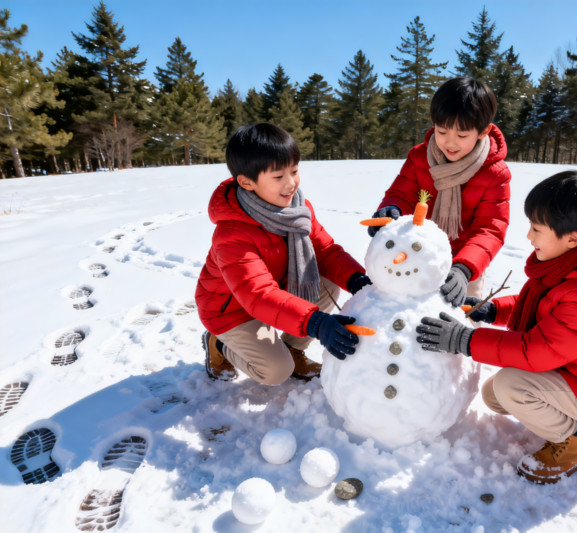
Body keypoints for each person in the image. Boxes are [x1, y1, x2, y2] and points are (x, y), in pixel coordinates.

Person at [415, 170, 577, 484]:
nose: (529, 237)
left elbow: (537, 351)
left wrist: (466, 340)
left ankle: (576, 446)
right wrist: (494, 310)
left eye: (537, 229)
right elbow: (543, 310)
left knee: (512, 387)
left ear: (572, 239)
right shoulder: (573, 262)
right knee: (494, 395)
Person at [195, 123, 371, 385]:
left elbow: (324, 251)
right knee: (276, 372)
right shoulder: (232, 234)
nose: (291, 184)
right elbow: (258, 294)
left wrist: (359, 280)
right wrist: (316, 323)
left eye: (295, 171)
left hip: (275, 291)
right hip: (231, 311)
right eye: (278, 177)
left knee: (328, 280)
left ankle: (292, 348)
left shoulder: (298, 208)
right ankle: (219, 346)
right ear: (246, 181)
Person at [367, 77, 511, 306]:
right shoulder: (419, 157)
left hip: (464, 264)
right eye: (442, 131)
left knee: (461, 320)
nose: (450, 143)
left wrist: (465, 268)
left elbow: (490, 229)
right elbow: (401, 194)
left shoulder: (495, 174)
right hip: (416, 253)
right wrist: (391, 210)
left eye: (462, 136)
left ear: (483, 131)